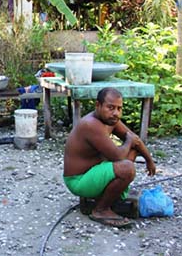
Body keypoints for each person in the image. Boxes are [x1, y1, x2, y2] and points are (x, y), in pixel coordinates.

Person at [63, 87, 156, 227]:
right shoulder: (91, 124)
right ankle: (100, 210)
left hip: (94, 171)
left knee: (133, 151)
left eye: (119, 108)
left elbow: (135, 139)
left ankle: (108, 197)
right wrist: (129, 142)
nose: (115, 113)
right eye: (110, 107)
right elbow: (118, 155)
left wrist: (149, 160)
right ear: (98, 105)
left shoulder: (111, 120)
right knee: (127, 168)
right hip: (78, 180)